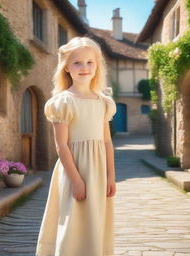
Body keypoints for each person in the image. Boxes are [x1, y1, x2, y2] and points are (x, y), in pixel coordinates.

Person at [36, 36, 116, 256]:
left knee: (95, 222)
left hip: (98, 173)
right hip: (75, 171)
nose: (84, 67)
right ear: (66, 67)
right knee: (73, 222)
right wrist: (77, 180)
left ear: (97, 66)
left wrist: (111, 176)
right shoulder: (63, 102)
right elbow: (61, 145)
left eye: (90, 62)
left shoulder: (103, 102)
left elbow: (107, 142)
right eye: (77, 62)